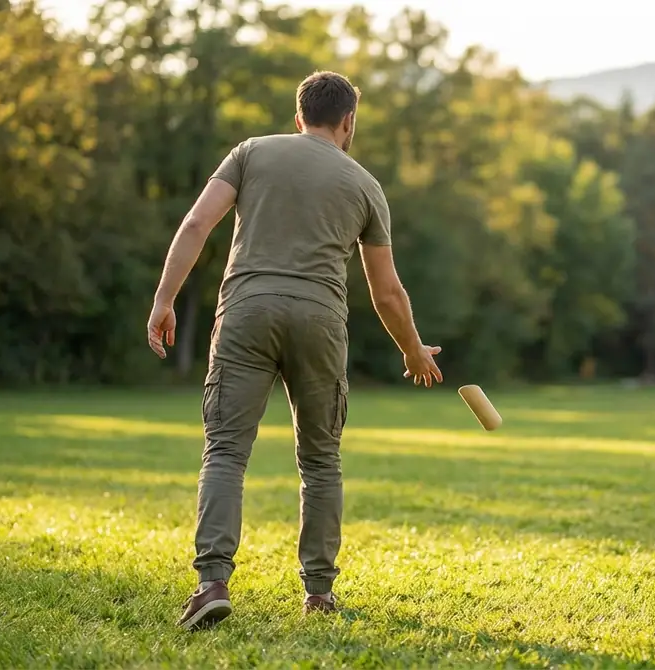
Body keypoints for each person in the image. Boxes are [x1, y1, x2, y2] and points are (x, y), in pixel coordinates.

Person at [145, 71, 444, 631]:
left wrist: (164, 299)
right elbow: (386, 290)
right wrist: (412, 350)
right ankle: (320, 593)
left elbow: (197, 222)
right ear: (349, 121)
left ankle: (212, 582)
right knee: (321, 460)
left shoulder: (251, 153)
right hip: (319, 323)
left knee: (227, 451)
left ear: (298, 113)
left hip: (246, 313)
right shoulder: (364, 185)